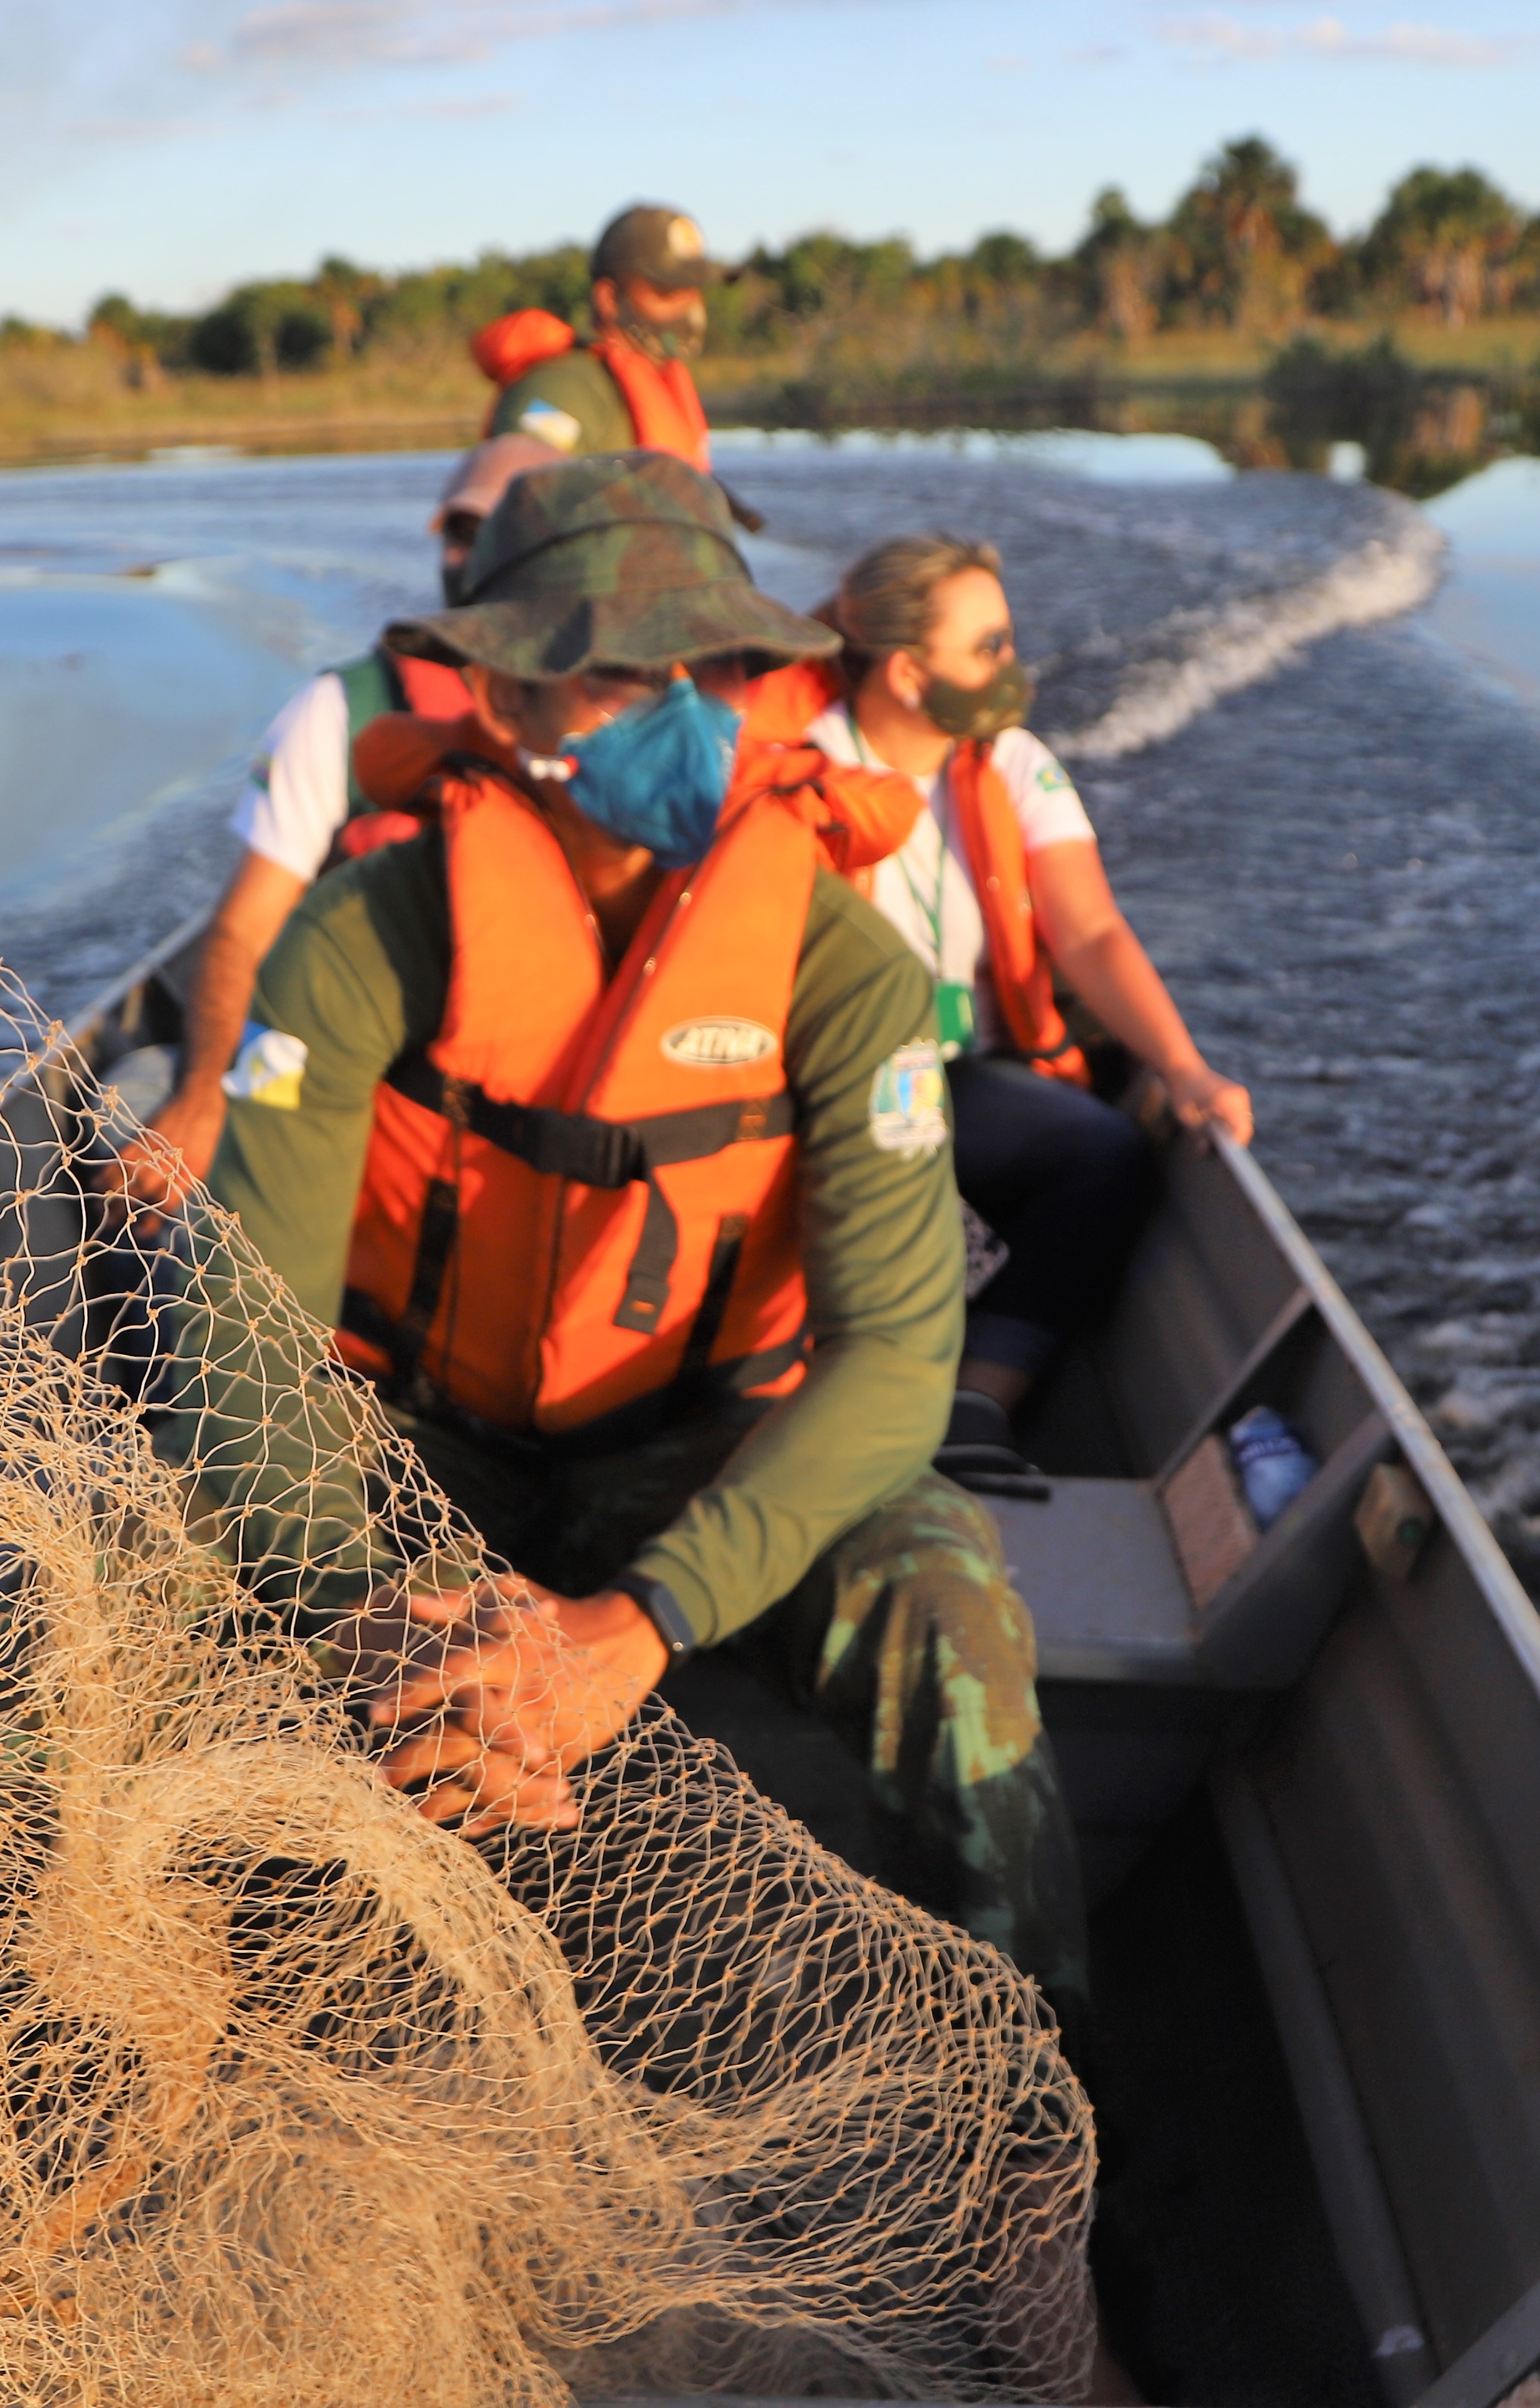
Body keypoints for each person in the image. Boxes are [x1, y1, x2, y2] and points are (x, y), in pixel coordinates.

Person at [163, 454, 1091, 2025]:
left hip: (702, 1446)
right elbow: (244, 1319)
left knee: (945, 1599)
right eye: (616, 673)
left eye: (712, 669)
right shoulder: (365, 935)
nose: (681, 710)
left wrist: (635, 1627)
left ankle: (1038, 2082)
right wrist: (350, 1612)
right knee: (134, 1571)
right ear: (503, 697)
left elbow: (895, 1354)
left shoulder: (839, 964)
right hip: (421, 1451)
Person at [807, 532, 1252, 1433]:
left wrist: (1183, 1066)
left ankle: (981, 1400)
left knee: (1102, 1153)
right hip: (836, 1081)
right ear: (906, 673)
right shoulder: (803, 770)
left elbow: (1089, 931)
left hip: (962, 1072)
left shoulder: (1010, 762)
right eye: (989, 647)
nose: (1013, 665)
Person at [111, 434, 566, 1207]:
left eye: (496, 532)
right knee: (129, 1102)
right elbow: (242, 930)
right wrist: (207, 1095)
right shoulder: (340, 710)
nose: (470, 554)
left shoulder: (618, 721)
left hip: (522, 1087)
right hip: (344, 1064)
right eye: (459, 531)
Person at [469, 202, 719, 467]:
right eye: (667, 293)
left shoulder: (664, 382)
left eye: (694, 291)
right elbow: (518, 478)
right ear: (609, 299)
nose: (689, 307)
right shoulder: (567, 385)